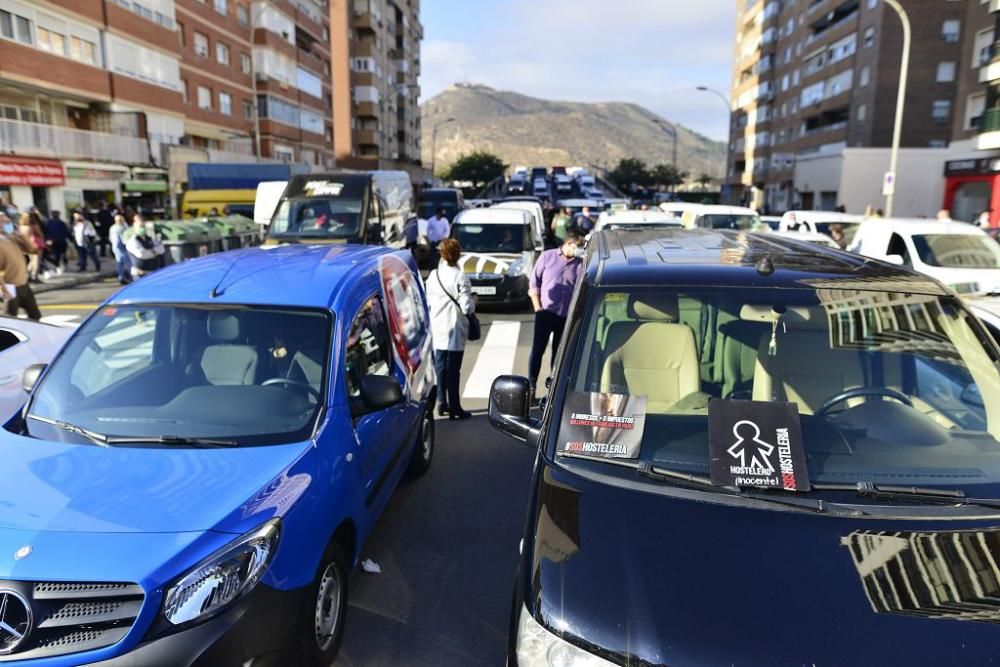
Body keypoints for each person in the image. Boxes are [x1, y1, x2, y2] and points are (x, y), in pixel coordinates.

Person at [527, 232, 584, 401]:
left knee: (559, 354)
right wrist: (538, 308)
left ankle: (553, 389)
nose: (577, 251)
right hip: (545, 313)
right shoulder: (547, 257)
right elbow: (534, 283)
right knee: (538, 350)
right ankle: (531, 386)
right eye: (575, 247)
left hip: (566, 316)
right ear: (568, 244)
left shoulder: (580, 265)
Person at [426, 238, 474, 420]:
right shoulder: (460, 277)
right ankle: (455, 407)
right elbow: (467, 307)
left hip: (438, 327)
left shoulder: (433, 275)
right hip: (454, 328)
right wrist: (473, 302)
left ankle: (441, 403)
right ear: (457, 254)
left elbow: (428, 299)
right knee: (453, 370)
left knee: (440, 369)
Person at [0, 233, 41, 320]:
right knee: (10, 319)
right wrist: (3, 289)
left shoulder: (11, 238)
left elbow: (34, 250)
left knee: (35, 315)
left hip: (24, 284)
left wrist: (22, 236)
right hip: (9, 286)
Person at [126, 215, 166, 279]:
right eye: (140, 226)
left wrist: (151, 252)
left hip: (152, 273)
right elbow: (141, 254)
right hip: (140, 274)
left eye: (144, 226)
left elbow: (162, 249)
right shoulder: (132, 241)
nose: (142, 228)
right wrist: (155, 252)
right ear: (135, 226)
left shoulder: (149, 238)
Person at [17, 214, 44, 282]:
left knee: (30, 260)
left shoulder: (20, 227)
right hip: (34, 244)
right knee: (36, 261)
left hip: (25, 245)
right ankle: (34, 276)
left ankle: (27, 275)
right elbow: (40, 234)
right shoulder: (33, 226)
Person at [109, 214, 132, 285]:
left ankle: (121, 277)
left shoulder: (112, 227)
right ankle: (131, 277)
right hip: (121, 247)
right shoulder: (121, 228)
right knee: (128, 263)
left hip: (115, 247)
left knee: (120, 263)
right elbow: (124, 239)